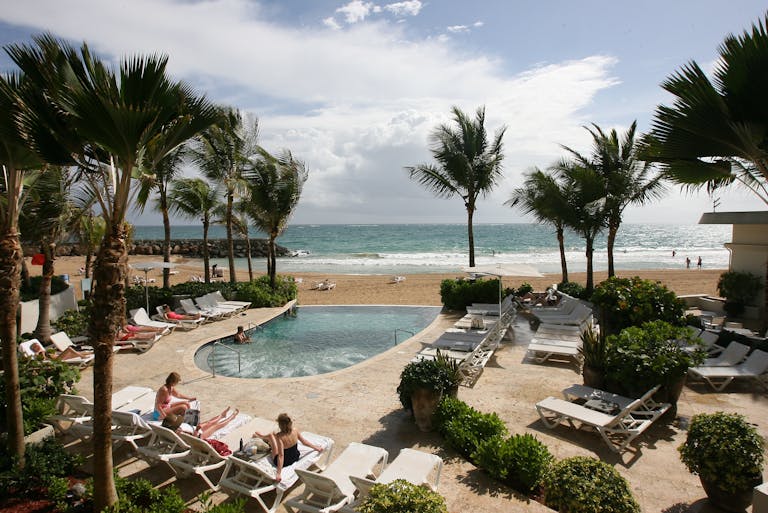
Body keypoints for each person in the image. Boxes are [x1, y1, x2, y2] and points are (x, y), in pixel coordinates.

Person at [253, 413, 324, 482]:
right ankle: (264, 438)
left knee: (271, 436)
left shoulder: (279, 436)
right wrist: (316, 447)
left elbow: (281, 455)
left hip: (285, 462)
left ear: (280, 425)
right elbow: (304, 442)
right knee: (273, 437)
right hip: (295, 457)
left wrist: (278, 473)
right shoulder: (295, 430)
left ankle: (261, 436)